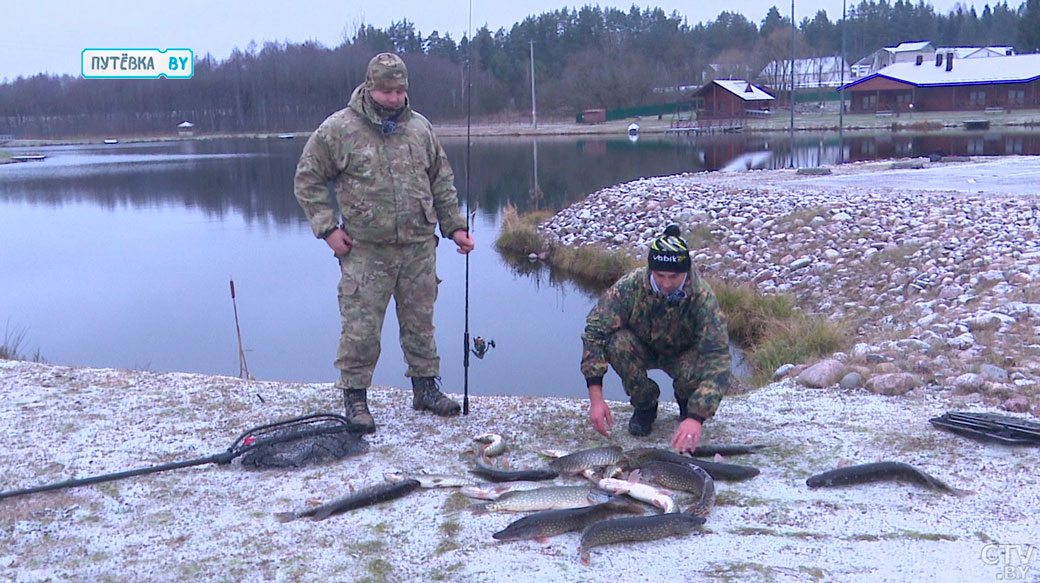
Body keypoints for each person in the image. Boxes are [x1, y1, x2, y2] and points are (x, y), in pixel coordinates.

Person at [294, 52, 475, 434]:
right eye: (386, 90)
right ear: (370, 86)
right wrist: (327, 229)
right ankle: (355, 399)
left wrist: (454, 227)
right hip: (365, 250)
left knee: (420, 324)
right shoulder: (338, 129)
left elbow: (441, 181)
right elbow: (307, 178)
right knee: (360, 329)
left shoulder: (421, 128)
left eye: (400, 90)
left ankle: (425, 389)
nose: (394, 98)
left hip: (418, 247)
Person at [580, 224, 731, 454]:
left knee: (700, 367)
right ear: (650, 269)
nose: (666, 283)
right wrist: (596, 398)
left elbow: (718, 357)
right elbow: (595, 332)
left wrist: (697, 416)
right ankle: (645, 404)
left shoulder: (703, 297)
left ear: (686, 272)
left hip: (683, 354)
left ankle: (687, 403)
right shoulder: (630, 286)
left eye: (674, 276)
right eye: (659, 275)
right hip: (641, 347)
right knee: (617, 343)